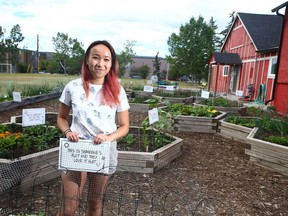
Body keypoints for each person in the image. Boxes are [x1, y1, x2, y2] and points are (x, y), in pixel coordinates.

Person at [57, 40, 130, 216]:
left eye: (106, 59)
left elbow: (124, 126)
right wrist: (68, 132)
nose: (101, 63)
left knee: (94, 203)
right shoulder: (73, 87)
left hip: (102, 151)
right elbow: (61, 118)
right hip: (77, 150)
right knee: (69, 207)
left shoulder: (117, 90)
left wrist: (108, 137)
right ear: (87, 60)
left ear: (111, 64)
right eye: (96, 58)